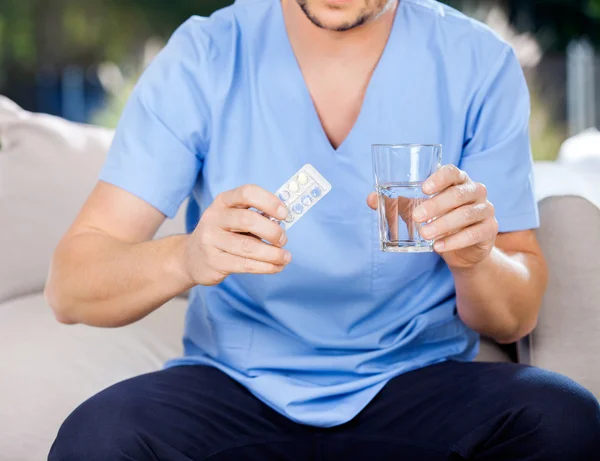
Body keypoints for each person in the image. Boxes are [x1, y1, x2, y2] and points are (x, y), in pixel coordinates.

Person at [47, 0, 600, 459]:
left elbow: (515, 318)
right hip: (237, 386)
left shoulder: (476, 63)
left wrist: (475, 258)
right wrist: (186, 258)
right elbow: (71, 285)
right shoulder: (207, 55)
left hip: (418, 383)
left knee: (565, 420)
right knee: (97, 439)